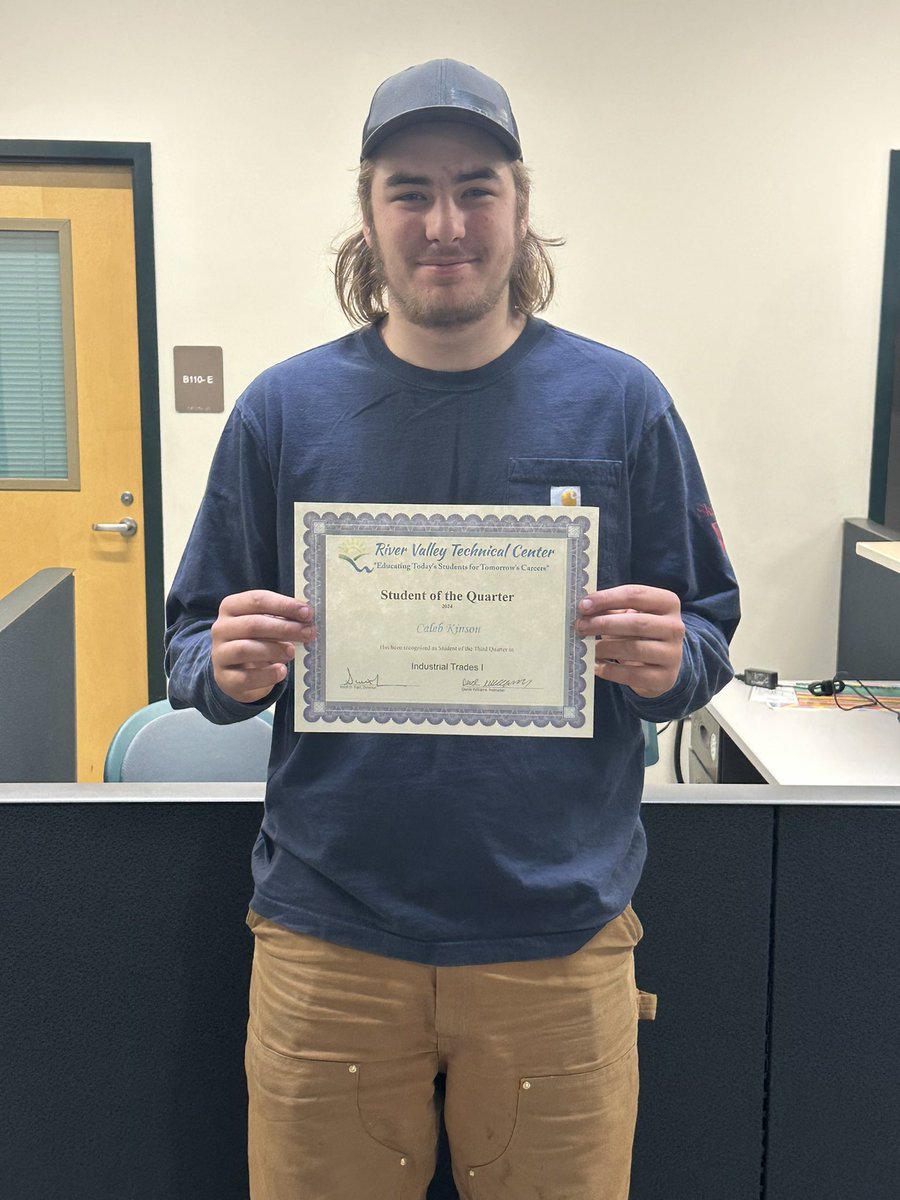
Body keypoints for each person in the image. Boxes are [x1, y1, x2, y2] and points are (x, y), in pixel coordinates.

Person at [165, 59, 739, 1200]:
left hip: (556, 944)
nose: (445, 224)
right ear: (367, 211)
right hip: (329, 943)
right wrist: (223, 669)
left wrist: (674, 663)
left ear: (521, 207)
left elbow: (707, 630)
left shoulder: (622, 404)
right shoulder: (283, 410)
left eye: (476, 188)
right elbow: (190, 642)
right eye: (410, 191)